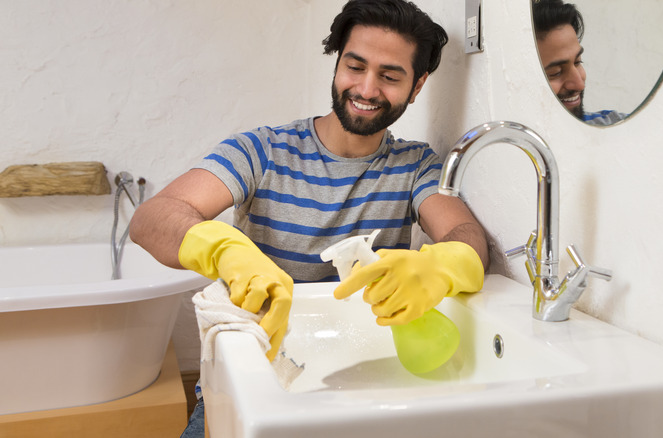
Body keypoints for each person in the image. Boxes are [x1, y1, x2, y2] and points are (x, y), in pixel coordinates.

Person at [128, 0, 489, 436]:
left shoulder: (416, 167)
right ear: (337, 65)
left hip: (357, 378)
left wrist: (443, 264)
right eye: (355, 66)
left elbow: (464, 233)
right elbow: (152, 218)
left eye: (390, 76)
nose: (367, 88)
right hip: (252, 381)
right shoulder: (263, 149)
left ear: (417, 86)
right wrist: (226, 251)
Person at [532, 0, 627, 126]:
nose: (580, 84)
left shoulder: (615, 126)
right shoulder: (502, 143)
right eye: (556, 73)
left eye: (578, 62)